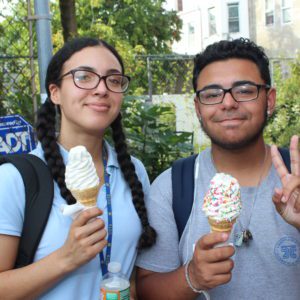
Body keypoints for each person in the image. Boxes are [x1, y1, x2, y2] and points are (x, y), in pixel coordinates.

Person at [135, 38, 300, 299]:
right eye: (212, 94)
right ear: (198, 108)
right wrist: (192, 276)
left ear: (269, 100)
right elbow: (145, 290)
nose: (228, 103)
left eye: (244, 90)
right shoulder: (173, 187)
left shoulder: (296, 181)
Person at [0, 37, 156, 299]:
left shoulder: (134, 172)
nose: (101, 89)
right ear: (55, 92)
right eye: (84, 77)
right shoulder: (14, 179)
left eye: (114, 80)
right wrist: (65, 258)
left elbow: (132, 273)